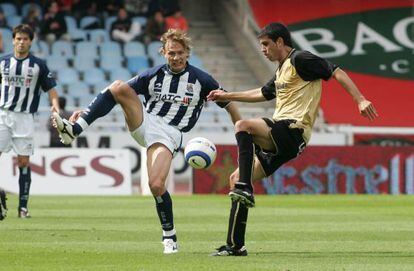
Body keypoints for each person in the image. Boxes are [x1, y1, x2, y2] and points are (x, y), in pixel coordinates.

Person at [52, 28, 241, 254]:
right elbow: (115, 94)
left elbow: (228, 102)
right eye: (171, 53)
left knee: (156, 185)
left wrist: (241, 131)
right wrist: (86, 112)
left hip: (169, 134)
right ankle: (75, 129)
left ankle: (169, 236)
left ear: (187, 53)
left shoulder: (202, 80)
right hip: (145, 122)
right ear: (163, 53)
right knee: (119, 85)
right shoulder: (152, 75)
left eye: (180, 53)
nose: (176, 57)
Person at [207, 22, 378, 256]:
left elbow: (336, 71)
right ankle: (236, 245)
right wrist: (227, 96)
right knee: (235, 178)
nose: (263, 49)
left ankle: (246, 187)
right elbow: (262, 93)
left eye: (266, 44)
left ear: (280, 42)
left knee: (243, 126)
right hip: (283, 137)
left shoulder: (301, 59)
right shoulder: (281, 70)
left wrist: (360, 99)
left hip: (292, 129)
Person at [0, 24, 60, 218]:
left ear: (31, 42)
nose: (21, 42)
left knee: (23, 161)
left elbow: (51, 90)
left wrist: (55, 106)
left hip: (25, 118)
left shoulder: (38, 65)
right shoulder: (2, 62)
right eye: (18, 38)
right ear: (13, 40)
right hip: (2, 115)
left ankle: (23, 208)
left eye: (25, 39)